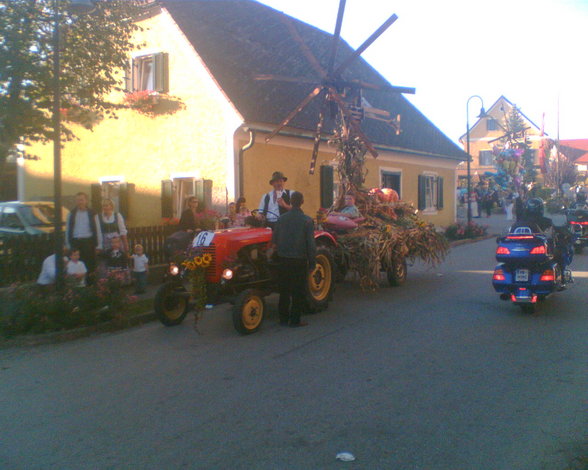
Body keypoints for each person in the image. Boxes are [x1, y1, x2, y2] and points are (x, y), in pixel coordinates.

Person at [272, 191, 316, 327]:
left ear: (290, 202)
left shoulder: (281, 219)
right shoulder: (307, 220)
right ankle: (295, 320)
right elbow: (311, 243)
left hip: (283, 259)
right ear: (302, 202)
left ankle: (283, 319)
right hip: (299, 259)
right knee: (298, 291)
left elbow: (274, 240)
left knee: (284, 290)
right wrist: (312, 262)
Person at [66, 192, 98, 274]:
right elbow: (68, 230)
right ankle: (77, 284)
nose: (79, 202)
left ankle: (89, 284)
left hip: (88, 242)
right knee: (76, 264)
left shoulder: (92, 213)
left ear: (86, 201)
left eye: (81, 200)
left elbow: (98, 229)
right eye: (77, 200)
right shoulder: (71, 214)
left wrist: (99, 244)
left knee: (89, 264)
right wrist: (68, 244)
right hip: (76, 242)